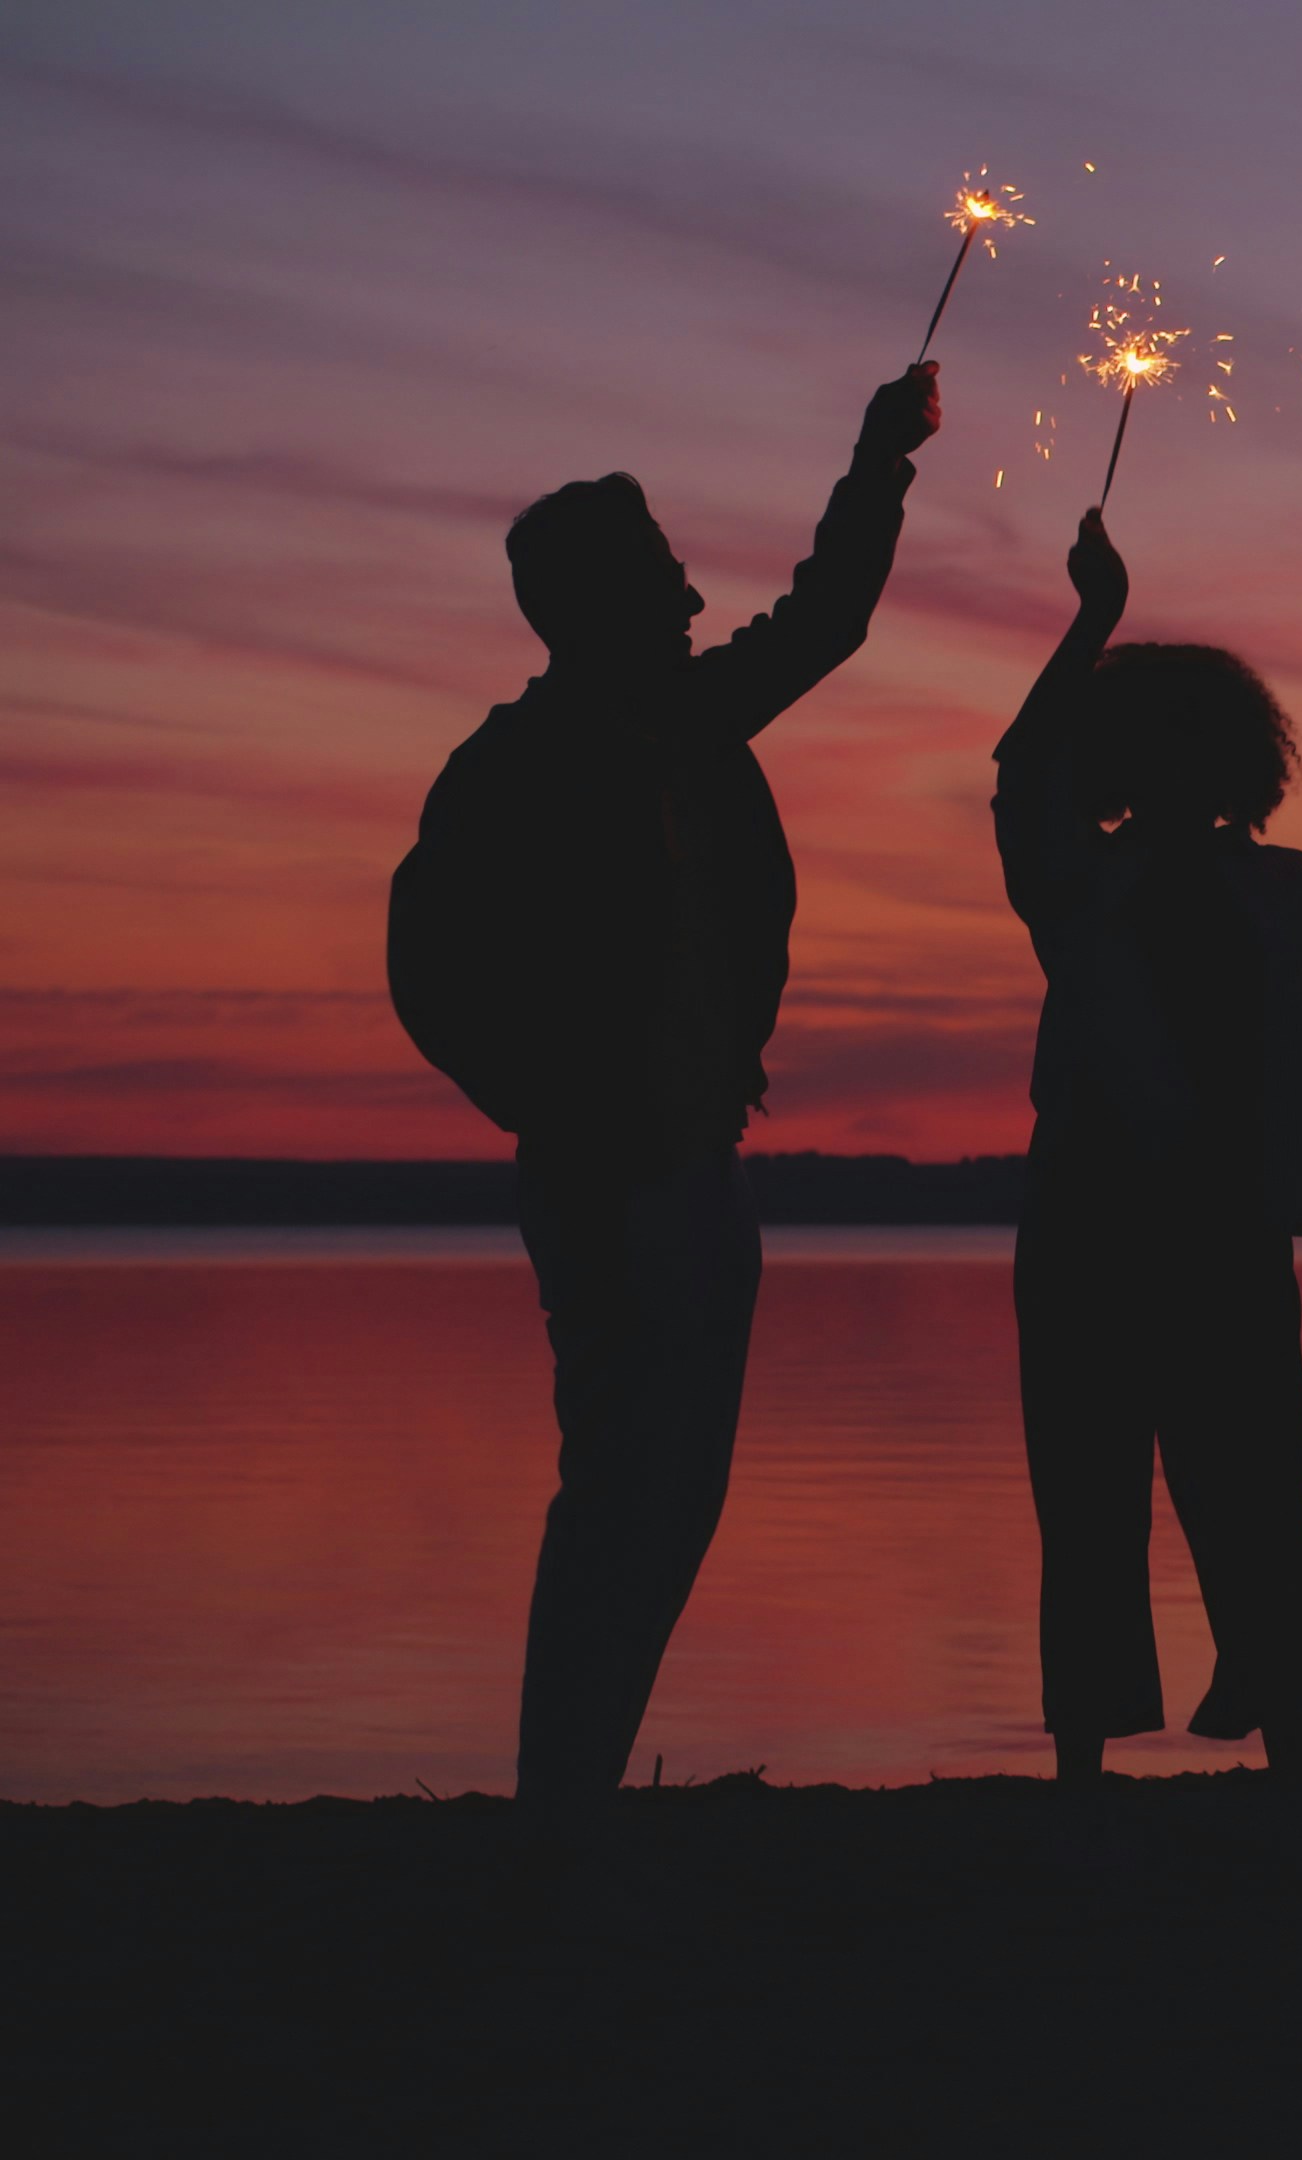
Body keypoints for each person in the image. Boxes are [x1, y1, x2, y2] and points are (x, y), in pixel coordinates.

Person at [386, 361, 940, 1817]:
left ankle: (574, 1788)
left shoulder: (684, 728)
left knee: (666, 1487)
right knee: (631, 1481)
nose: (697, 605)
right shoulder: (513, 768)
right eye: (667, 580)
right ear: (597, 604)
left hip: (693, 1161)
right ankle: (562, 1795)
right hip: (611, 1172)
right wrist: (567, 1107)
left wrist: (881, 460)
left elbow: (827, 618)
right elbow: (430, 975)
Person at [991, 510, 1302, 1783]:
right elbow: (1019, 771)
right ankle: (1089, 1767)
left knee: (1251, 1498)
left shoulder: (1292, 895)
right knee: (1092, 1497)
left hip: (1216, 1220)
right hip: (1096, 1218)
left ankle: (1281, 1749)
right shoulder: (1082, 880)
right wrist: (1089, 620)